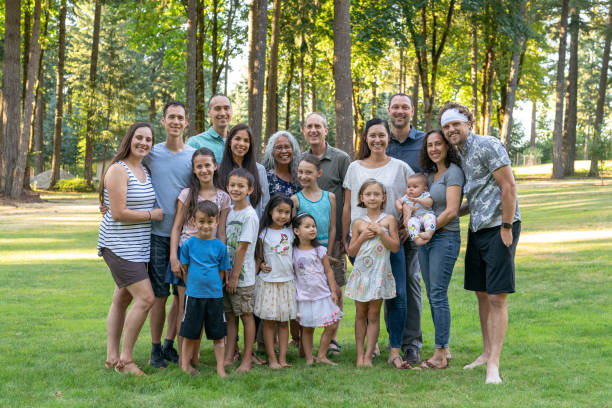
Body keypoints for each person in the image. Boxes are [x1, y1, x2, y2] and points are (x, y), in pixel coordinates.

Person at [439, 102, 521, 384]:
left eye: (455, 124)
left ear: (468, 124)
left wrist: (507, 227)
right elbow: (477, 196)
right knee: (482, 294)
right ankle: (486, 353)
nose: (451, 130)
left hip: (501, 227)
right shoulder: (458, 153)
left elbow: (508, 186)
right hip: (478, 228)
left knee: (498, 296)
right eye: (446, 126)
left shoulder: (488, 144)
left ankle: (494, 366)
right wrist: (447, 212)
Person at [342, 118, 414, 369]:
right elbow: (347, 204)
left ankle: (395, 348)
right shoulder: (354, 168)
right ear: (366, 138)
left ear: (388, 138)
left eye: (382, 135)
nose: (377, 140)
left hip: (389, 241)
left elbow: (411, 197)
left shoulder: (401, 167)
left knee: (397, 295)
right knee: (367, 298)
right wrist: (345, 235)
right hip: (361, 241)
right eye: (372, 135)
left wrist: (406, 225)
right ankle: (367, 350)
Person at [97, 122, 162, 375]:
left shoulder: (144, 169)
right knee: (146, 298)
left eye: (148, 139)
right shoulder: (118, 169)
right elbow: (118, 213)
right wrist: (151, 214)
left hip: (138, 247)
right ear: (129, 139)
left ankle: (112, 357)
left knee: (122, 298)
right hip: (118, 245)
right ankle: (126, 361)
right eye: (139, 138)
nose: (143, 142)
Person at [144, 101, 195, 368]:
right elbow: (124, 171)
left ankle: (169, 344)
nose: (176, 121)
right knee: (159, 294)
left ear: (187, 123)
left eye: (180, 118)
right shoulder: (151, 153)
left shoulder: (194, 156)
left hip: (187, 238)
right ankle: (154, 350)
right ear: (162, 122)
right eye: (171, 117)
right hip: (157, 234)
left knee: (181, 294)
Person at [168, 147, 231, 364]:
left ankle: (195, 356)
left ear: (215, 166)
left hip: (211, 260)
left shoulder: (223, 197)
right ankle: (186, 359)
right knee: (186, 308)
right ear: (194, 170)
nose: (204, 169)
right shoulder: (187, 194)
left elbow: (221, 232)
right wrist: (173, 258)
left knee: (207, 306)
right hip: (188, 258)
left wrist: (224, 264)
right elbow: (176, 228)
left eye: (207, 165)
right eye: (199, 166)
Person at [414, 129, 464, 370]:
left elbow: (452, 210)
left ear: (447, 147)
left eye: (438, 144)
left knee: (438, 294)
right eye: (430, 145)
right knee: (432, 293)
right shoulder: (430, 174)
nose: (434, 148)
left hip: (445, 237)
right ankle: (444, 348)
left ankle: (439, 355)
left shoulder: (453, 173)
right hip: (427, 238)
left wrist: (431, 230)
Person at [302, 112, 350, 354]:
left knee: (335, 287)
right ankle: (304, 337)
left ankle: (331, 337)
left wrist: (343, 236)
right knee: (308, 287)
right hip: (305, 243)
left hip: (335, 239)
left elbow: (348, 198)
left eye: (317, 126)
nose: (313, 130)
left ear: (325, 130)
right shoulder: (301, 160)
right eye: (309, 126)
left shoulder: (341, 159)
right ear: (304, 130)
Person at [386, 93, 425, 365]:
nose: (399, 111)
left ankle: (412, 343)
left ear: (412, 111)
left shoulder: (424, 143)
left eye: (404, 107)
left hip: (414, 228)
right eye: (395, 107)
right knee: (389, 285)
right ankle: (393, 342)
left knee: (410, 282)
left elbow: (430, 184)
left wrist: (407, 223)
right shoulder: (379, 140)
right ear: (389, 111)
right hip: (385, 229)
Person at [345, 179, 400, 368]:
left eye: (377, 194)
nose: (372, 198)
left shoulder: (389, 220)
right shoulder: (359, 222)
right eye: (368, 194)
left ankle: (369, 356)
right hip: (362, 273)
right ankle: (359, 355)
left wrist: (382, 233)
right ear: (361, 198)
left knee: (374, 314)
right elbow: (351, 252)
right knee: (361, 313)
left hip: (380, 273)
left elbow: (395, 247)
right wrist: (362, 236)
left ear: (383, 197)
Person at [178, 200, 230, 377]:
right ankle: (185, 366)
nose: (205, 226)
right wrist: (191, 286)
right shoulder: (188, 245)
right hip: (193, 296)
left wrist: (214, 286)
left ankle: (220, 368)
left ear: (216, 222)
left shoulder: (220, 247)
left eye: (210, 222)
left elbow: (222, 272)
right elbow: (185, 269)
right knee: (190, 333)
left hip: (214, 296)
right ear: (194, 221)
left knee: (218, 335)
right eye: (201, 221)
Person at [292, 213, 343, 366]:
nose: (312, 229)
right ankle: (309, 358)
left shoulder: (319, 249)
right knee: (307, 328)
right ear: (296, 231)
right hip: (304, 296)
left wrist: (333, 291)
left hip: (322, 294)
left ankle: (321, 355)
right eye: (307, 226)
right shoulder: (293, 251)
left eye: (313, 226)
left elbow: (328, 271)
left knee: (331, 324)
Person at [223, 169, 260, 372]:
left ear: (250, 189)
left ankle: (247, 358)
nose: (236, 189)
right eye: (233, 185)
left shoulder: (250, 215)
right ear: (227, 187)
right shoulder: (229, 211)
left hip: (242, 277)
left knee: (246, 316)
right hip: (228, 275)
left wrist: (235, 276)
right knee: (230, 316)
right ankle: (229, 355)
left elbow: (242, 247)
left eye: (241, 186)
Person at [255, 195, 297, 369]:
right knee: (270, 322)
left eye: (287, 212)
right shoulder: (263, 233)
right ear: (270, 211)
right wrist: (261, 264)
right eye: (279, 211)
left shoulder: (291, 232)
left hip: (287, 282)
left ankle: (283, 358)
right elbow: (258, 256)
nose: (283, 216)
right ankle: (272, 359)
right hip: (269, 283)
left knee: (283, 321)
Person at [218, 123, 270, 218]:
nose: (241, 144)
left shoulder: (259, 170)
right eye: (237, 139)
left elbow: (265, 205)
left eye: (246, 141)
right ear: (229, 142)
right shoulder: (219, 170)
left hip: (253, 228)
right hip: (226, 228)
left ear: (250, 145)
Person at [186, 94, 232, 163]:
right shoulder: (195, 143)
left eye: (226, 108)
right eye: (217, 108)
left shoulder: (238, 143)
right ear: (209, 112)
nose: (222, 113)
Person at [395, 173, 436, 246]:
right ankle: (416, 239)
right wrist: (399, 206)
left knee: (431, 217)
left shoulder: (425, 195)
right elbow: (399, 201)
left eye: (415, 187)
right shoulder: (406, 197)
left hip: (425, 215)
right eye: (408, 187)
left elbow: (430, 203)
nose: (411, 189)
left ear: (424, 189)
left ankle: (429, 233)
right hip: (415, 218)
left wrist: (418, 200)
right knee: (411, 223)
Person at [262, 130, 302, 197]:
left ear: (293, 150)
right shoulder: (265, 177)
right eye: (279, 147)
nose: (283, 151)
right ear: (272, 152)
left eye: (287, 147)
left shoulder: (300, 176)